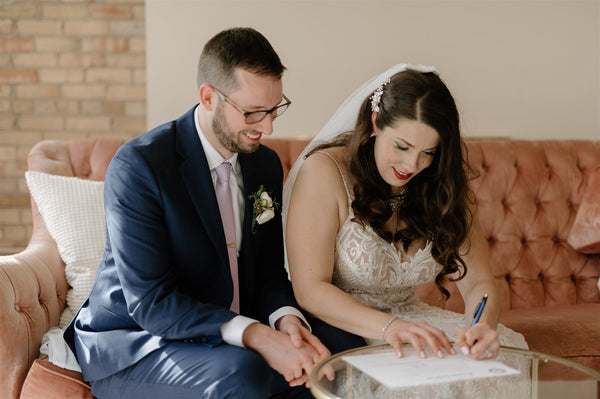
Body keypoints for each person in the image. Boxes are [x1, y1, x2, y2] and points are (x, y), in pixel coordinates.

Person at [64, 27, 331, 399]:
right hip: (137, 341)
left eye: (274, 109)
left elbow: (270, 272)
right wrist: (257, 336)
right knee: (243, 372)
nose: (268, 127)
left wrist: (285, 320)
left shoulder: (264, 165)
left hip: (229, 333)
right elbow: (151, 302)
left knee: (337, 348)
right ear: (208, 97)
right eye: (253, 113)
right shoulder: (140, 166)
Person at [284, 64, 528, 367]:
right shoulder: (325, 172)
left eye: (429, 152)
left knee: (500, 354)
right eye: (402, 146)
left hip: (414, 319)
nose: (412, 165)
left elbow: (479, 282)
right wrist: (391, 328)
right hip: (343, 325)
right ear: (375, 123)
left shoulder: (443, 184)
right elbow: (310, 290)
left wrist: (482, 326)